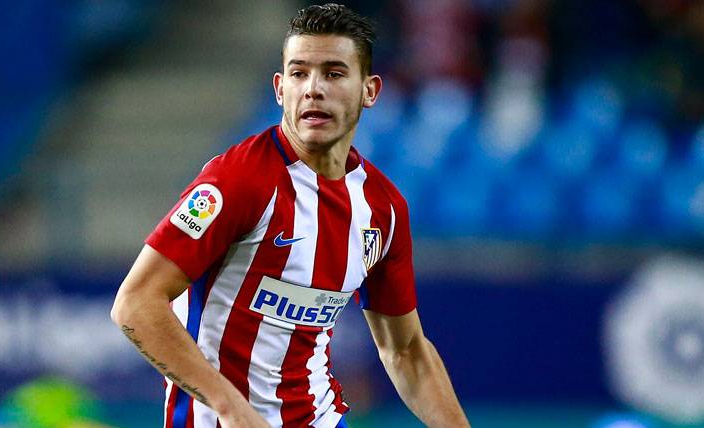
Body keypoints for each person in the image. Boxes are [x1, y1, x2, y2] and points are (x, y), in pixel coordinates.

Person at [111, 4, 469, 428]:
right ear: (280, 88)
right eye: (299, 73)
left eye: (334, 73)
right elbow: (135, 304)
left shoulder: (382, 209)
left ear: (370, 90)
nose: (313, 89)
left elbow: (407, 351)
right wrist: (232, 408)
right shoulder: (239, 180)